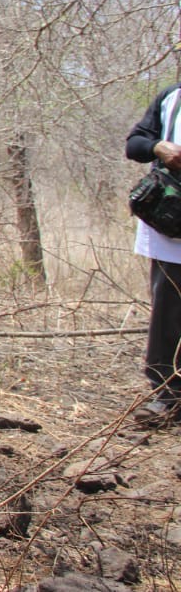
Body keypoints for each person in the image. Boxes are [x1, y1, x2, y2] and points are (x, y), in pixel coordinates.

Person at [126, 87, 181, 423]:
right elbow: (135, 144)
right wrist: (158, 147)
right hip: (172, 224)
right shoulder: (171, 99)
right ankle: (166, 395)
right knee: (169, 310)